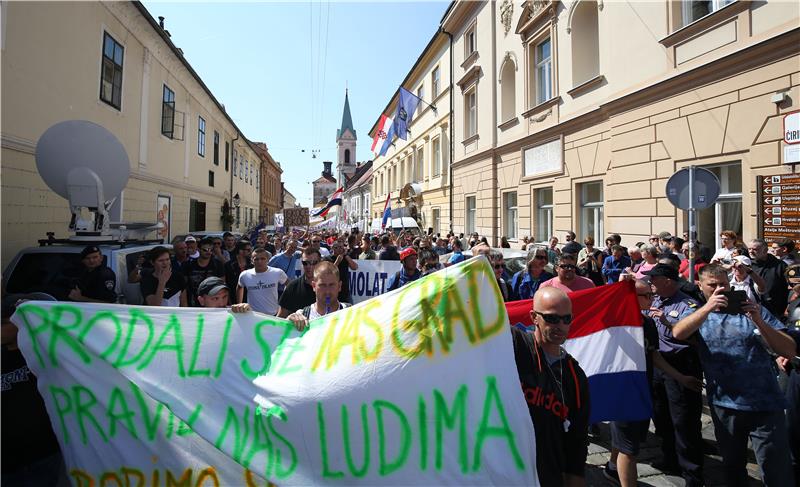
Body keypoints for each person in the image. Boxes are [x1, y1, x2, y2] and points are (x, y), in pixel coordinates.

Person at [672, 264, 796, 487]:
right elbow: (678, 332)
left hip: (765, 402)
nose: (720, 289)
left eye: (724, 285)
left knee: (775, 467)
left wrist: (758, 319)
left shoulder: (752, 310)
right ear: (700, 286)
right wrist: (708, 308)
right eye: (713, 285)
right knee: (733, 466)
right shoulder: (699, 313)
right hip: (725, 404)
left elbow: (788, 350)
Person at [603, 280, 703, 486]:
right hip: (622, 393)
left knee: (628, 441)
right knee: (630, 450)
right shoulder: (616, 324)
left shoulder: (648, 323)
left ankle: (612, 468)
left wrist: (680, 377)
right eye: (646, 295)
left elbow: (654, 356)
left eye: (651, 294)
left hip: (643, 390)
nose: (652, 299)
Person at [511, 287, 590, 486]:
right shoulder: (515, 345)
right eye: (552, 319)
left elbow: (577, 439)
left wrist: (574, 479)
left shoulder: (575, 376)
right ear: (534, 317)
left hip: (547, 474)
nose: (560, 326)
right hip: (506, 467)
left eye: (567, 319)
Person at [643, 263, 705, 484]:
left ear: (667, 281)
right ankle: (669, 458)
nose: (650, 282)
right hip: (659, 364)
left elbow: (694, 336)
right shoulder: (656, 299)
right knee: (661, 415)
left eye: (654, 279)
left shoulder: (688, 304)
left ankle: (692, 472)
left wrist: (667, 322)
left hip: (681, 365)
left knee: (684, 421)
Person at [2, 294, 69, 487]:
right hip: (7, 461)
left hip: (42, 454)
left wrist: (38, 313)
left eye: (4, 323)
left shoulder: (44, 353)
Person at [285, 261, 352, 332]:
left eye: (331, 285)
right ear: (314, 286)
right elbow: (279, 337)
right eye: (322, 285)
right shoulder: (302, 316)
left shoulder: (352, 313)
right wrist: (287, 324)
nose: (327, 291)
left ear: (339, 286)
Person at [237, 248, 287, 315]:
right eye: (256, 259)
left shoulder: (277, 272)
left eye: (262, 259)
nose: (259, 261)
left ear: (268, 260)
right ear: (252, 261)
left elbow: (289, 285)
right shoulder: (245, 275)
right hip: (252, 315)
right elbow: (239, 287)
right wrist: (239, 304)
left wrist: (283, 301)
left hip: (273, 314)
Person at [749, 238, 789, 318]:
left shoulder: (780, 266)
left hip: (775, 310)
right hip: (752, 309)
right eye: (749, 249)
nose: (750, 251)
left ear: (765, 250)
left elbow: (790, 287)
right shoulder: (747, 265)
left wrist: (788, 307)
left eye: (755, 249)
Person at [277, 248, 321, 317]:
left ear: (320, 263)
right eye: (305, 263)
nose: (309, 266)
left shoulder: (328, 286)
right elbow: (281, 317)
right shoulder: (292, 287)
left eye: (313, 263)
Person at [182, 238, 225, 306]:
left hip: (211, 302)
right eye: (205, 250)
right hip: (192, 302)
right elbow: (184, 286)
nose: (208, 252)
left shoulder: (217, 265)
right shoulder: (188, 265)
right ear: (198, 250)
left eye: (211, 250)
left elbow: (222, 285)